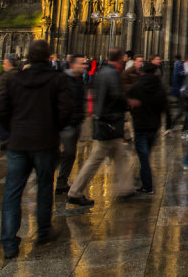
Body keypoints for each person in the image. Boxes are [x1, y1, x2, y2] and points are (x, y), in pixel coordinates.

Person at [0, 40, 74, 259]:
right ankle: (42, 231)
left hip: (18, 142)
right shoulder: (57, 80)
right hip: (44, 142)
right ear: (49, 56)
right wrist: (53, 129)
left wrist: (14, 129)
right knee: (44, 187)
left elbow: (1, 111)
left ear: (27, 56)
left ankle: (9, 242)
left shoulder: (15, 80)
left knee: (12, 192)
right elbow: (65, 111)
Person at [66, 48, 135, 205]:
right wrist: (128, 103)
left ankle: (126, 188)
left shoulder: (102, 71)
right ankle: (75, 192)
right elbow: (116, 96)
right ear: (120, 60)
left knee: (120, 155)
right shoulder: (111, 74)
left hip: (106, 121)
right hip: (108, 122)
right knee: (96, 159)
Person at [127, 61, 168, 193]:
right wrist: (169, 124)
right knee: (145, 155)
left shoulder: (135, 87)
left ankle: (147, 184)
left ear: (142, 72)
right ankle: (144, 179)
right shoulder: (159, 87)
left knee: (143, 157)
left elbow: (127, 103)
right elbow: (165, 107)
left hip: (140, 126)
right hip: (154, 126)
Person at [56, 55, 87, 194]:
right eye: (82, 63)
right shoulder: (62, 79)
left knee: (71, 154)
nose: (84, 66)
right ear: (72, 64)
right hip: (66, 123)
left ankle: (62, 183)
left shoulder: (79, 80)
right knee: (68, 152)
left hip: (75, 122)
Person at [171, 53, 188, 133]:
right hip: (181, 93)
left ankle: (185, 128)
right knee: (182, 110)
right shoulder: (180, 67)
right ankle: (171, 124)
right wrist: (178, 91)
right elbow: (175, 80)